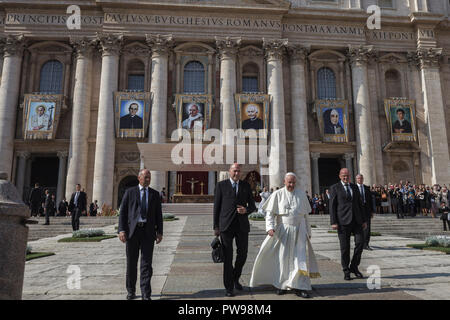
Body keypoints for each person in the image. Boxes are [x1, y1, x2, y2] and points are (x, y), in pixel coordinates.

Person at [250, 173, 320, 298]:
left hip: (299, 231)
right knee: (282, 258)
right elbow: (270, 213)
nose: (291, 185)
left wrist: (308, 232)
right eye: (289, 183)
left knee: (299, 260)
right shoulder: (277, 194)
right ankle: (281, 284)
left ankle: (300, 286)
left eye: (293, 183)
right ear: (284, 182)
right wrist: (270, 227)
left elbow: (305, 216)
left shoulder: (301, 194)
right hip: (283, 230)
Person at [118, 169, 163, 300]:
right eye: (146, 177)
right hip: (133, 232)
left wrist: (159, 232)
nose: (148, 179)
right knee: (131, 263)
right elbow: (123, 213)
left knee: (146, 264)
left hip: (148, 232)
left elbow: (158, 215)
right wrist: (121, 230)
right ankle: (131, 291)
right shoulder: (130, 192)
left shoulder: (154, 194)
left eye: (149, 177)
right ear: (139, 178)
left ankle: (145, 293)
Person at [213, 163, 256, 297]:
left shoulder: (245, 185)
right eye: (234, 171)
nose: (237, 173)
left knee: (243, 254)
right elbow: (216, 207)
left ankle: (235, 277)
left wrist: (246, 210)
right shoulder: (221, 185)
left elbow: (253, 206)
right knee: (228, 257)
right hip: (226, 226)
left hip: (242, 225)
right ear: (229, 171)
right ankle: (229, 287)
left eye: (238, 171)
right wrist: (216, 226)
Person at [329, 168, 367, 281]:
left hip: (357, 220)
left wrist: (364, 220)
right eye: (343, 175)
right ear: (340, 176)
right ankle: (346, 271)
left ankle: (354, 267)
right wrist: (333, 222)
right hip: (342, 222)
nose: (346, 178)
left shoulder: (354, 187)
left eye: (347, 176)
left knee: (360, 243)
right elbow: (332, 206)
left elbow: (360, 204)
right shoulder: (335, 188)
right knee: (345, 248)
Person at [356, 174, 375, 251]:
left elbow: (370, 200)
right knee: (358, 228)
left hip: (366, 210)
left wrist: (372, 211)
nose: (360, 180)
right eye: (358, 178)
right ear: (356, 179)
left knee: (367, 228)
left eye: (361, 178)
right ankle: (359, 243)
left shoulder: (367, 188)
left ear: (363, 179)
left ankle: (366, 244)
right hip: (357, 210)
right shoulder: (354, 188)